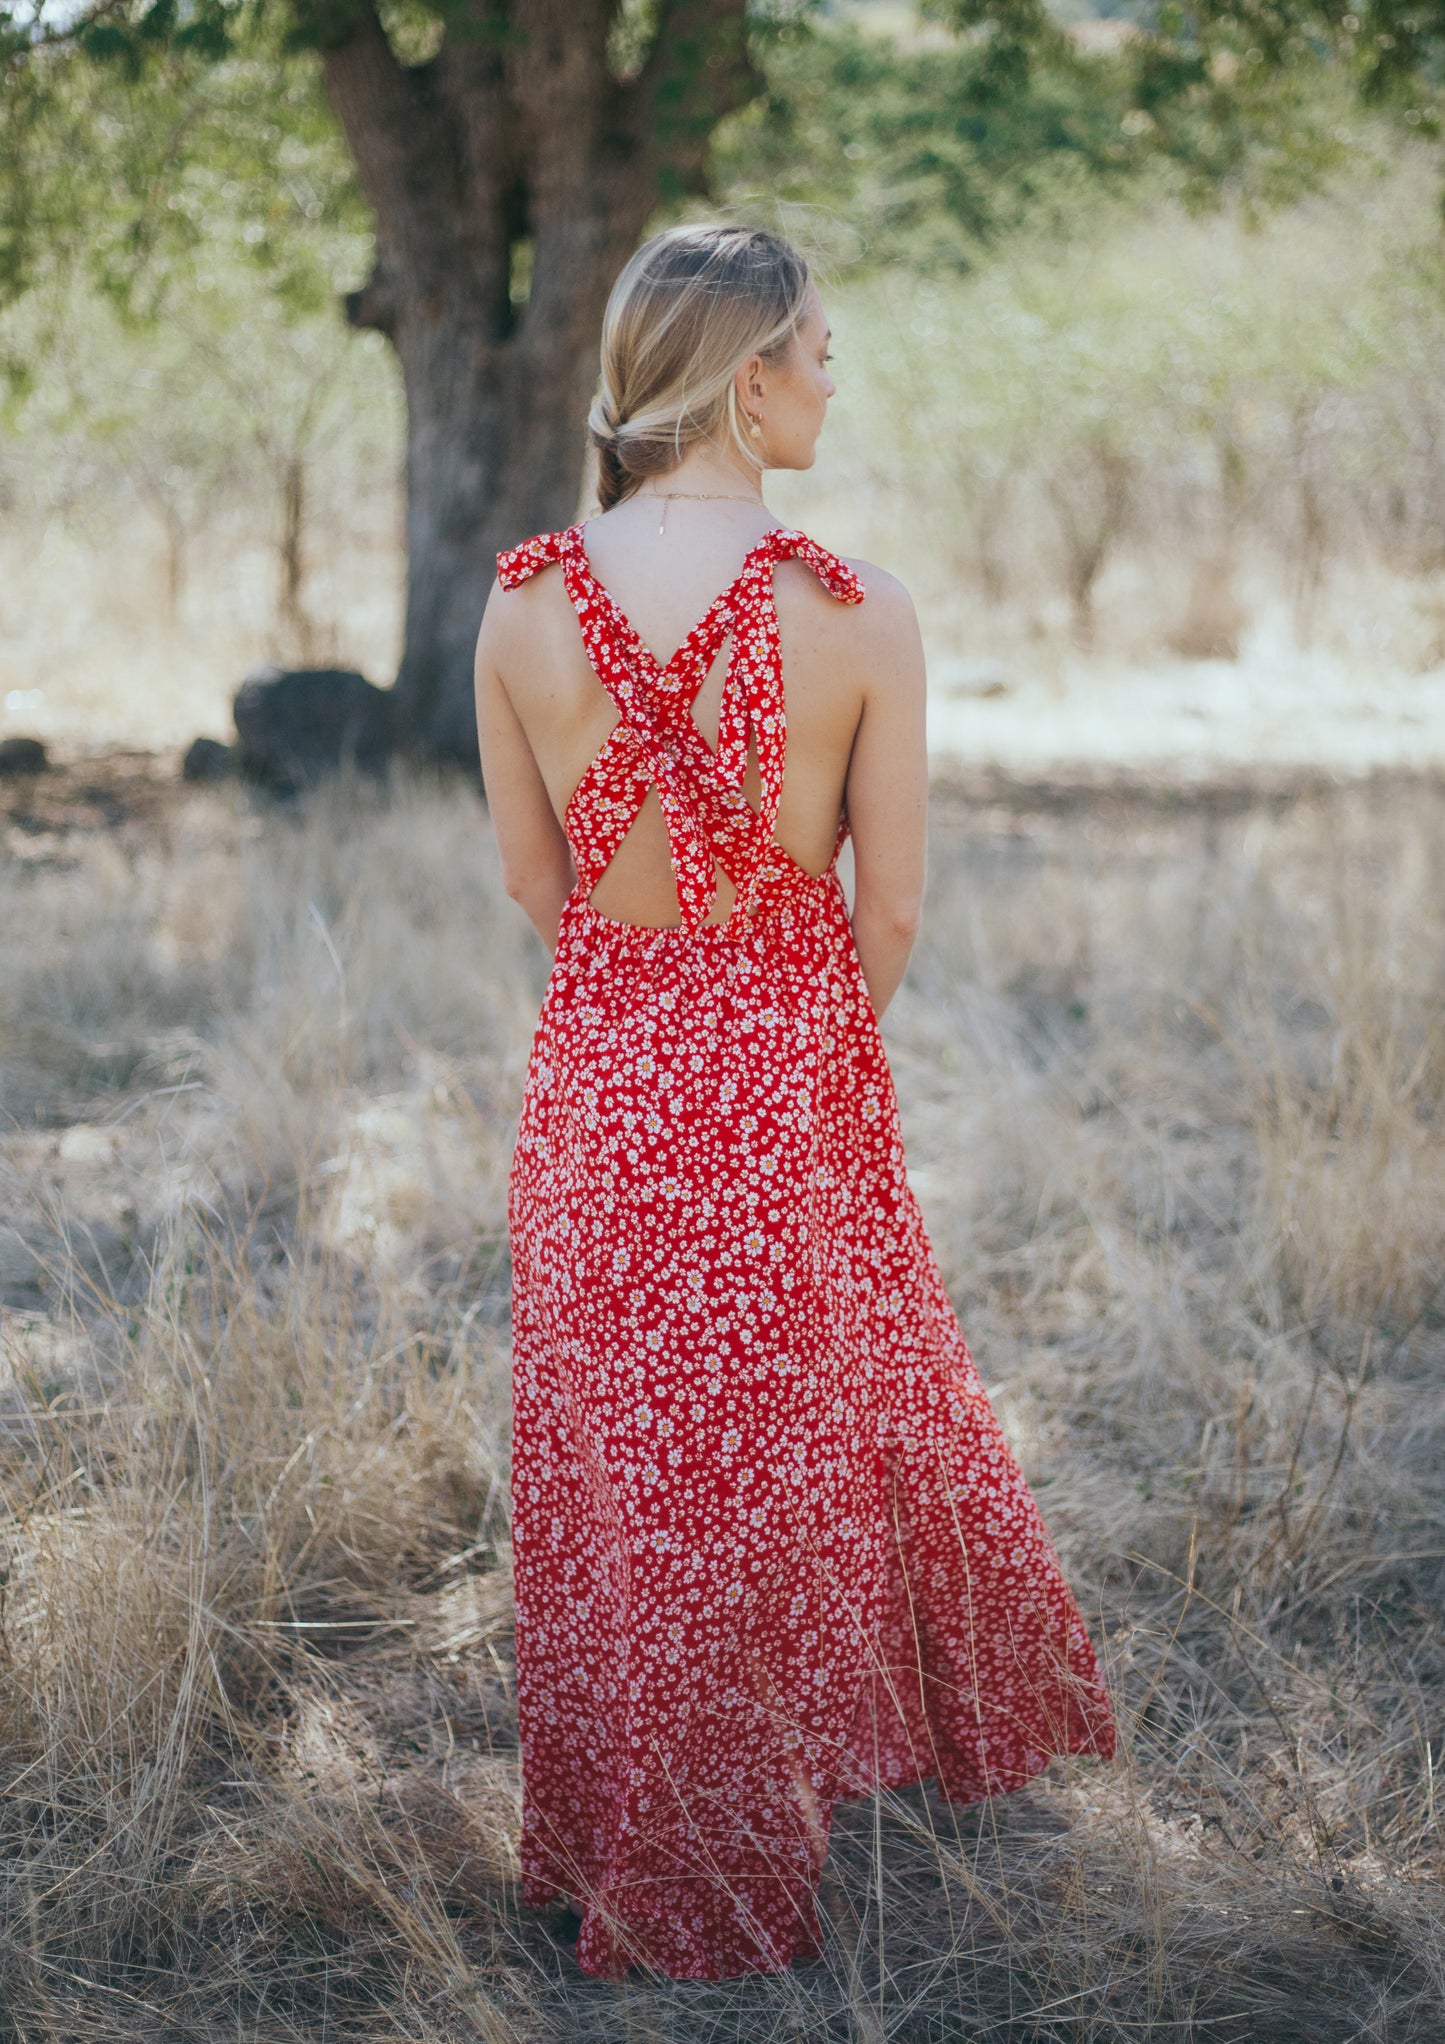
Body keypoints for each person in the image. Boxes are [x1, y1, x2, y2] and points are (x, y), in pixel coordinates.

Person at [473, 223, 1115, 1983]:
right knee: (782, 1469)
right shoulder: (855, 613)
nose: (834, 382)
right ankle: (763, 1836)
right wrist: (790, 1047)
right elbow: (888, 906)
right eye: (819, 353)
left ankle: (629, 1841)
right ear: (745, 381)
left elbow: (536, 882)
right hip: (785, 1078)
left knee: (627, 1488)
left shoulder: (523, 597)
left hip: (602, 1085)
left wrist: (652, 1009)